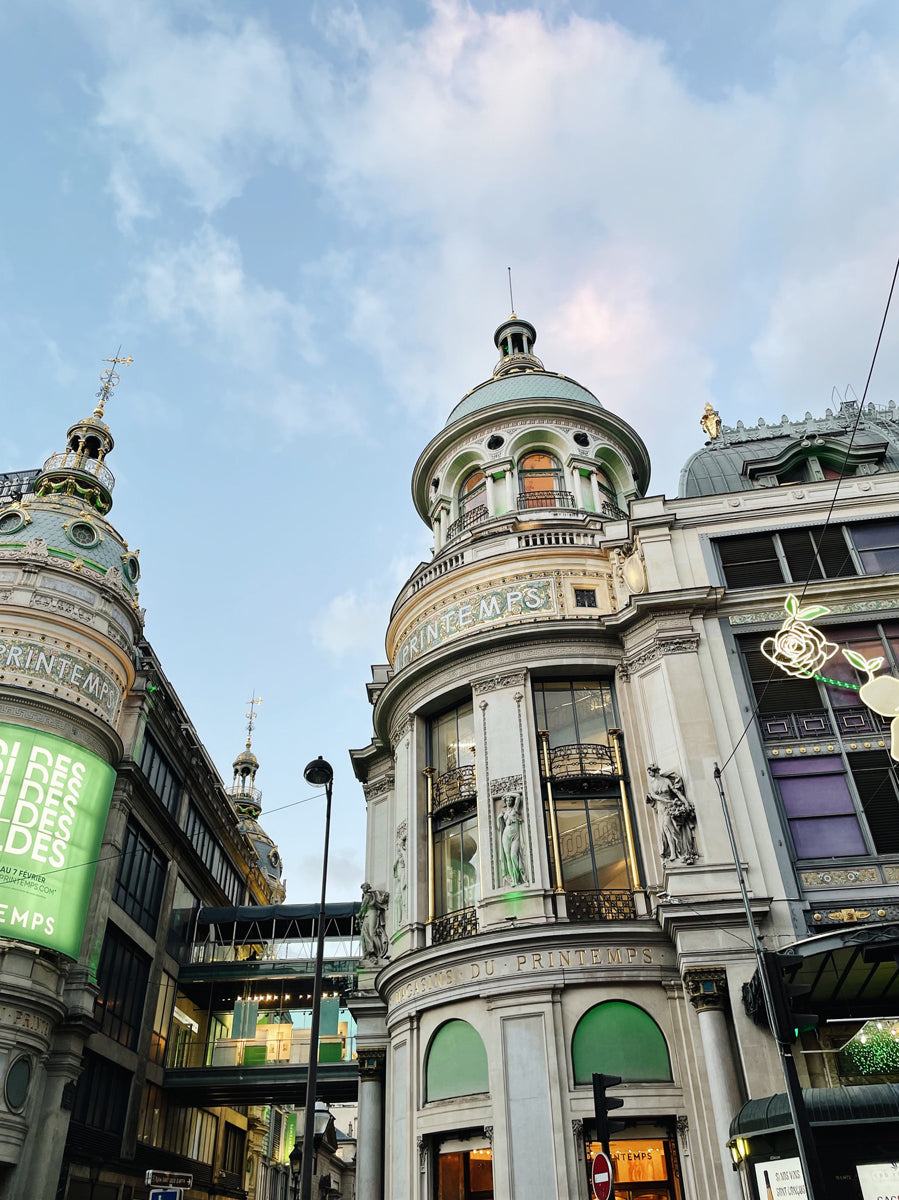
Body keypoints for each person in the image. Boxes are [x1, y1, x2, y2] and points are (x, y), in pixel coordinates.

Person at [645, 765, 697, 865]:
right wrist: (664, 799)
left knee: (669, 828)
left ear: (655, 771)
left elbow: (676, 792)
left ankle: (679, 850)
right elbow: (654, 795)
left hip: (669, 807)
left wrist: (685, 802)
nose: (649, 774)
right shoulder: (652, 784)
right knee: (664, 831)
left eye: (650, 772)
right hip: (661, 807)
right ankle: (672, 852)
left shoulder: (666, 781)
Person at [497, 793, 527, 885]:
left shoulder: (515, 809)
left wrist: (506, 794)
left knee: (514, 855)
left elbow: (518, 796)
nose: (509, 801)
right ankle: (513, 880)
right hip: (506, 834)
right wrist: (499, 818)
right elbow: (498, 828)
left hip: (515, 834)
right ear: (505, 802)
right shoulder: (503, 813)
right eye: (507, 800)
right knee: (508, 858)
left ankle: (518, 878)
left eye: (510, 800)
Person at [359, 882, 389, 961]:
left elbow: (363, 907)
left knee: (372, 933)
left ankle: (379, 952)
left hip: (372, 913)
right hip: (367, 915)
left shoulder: (368, 896)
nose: (363, 890)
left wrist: (358, 915)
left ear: (367, 888)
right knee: (364, 933)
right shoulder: (365, 896)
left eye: (365, 888)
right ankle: (370, 951)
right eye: (362, 889)